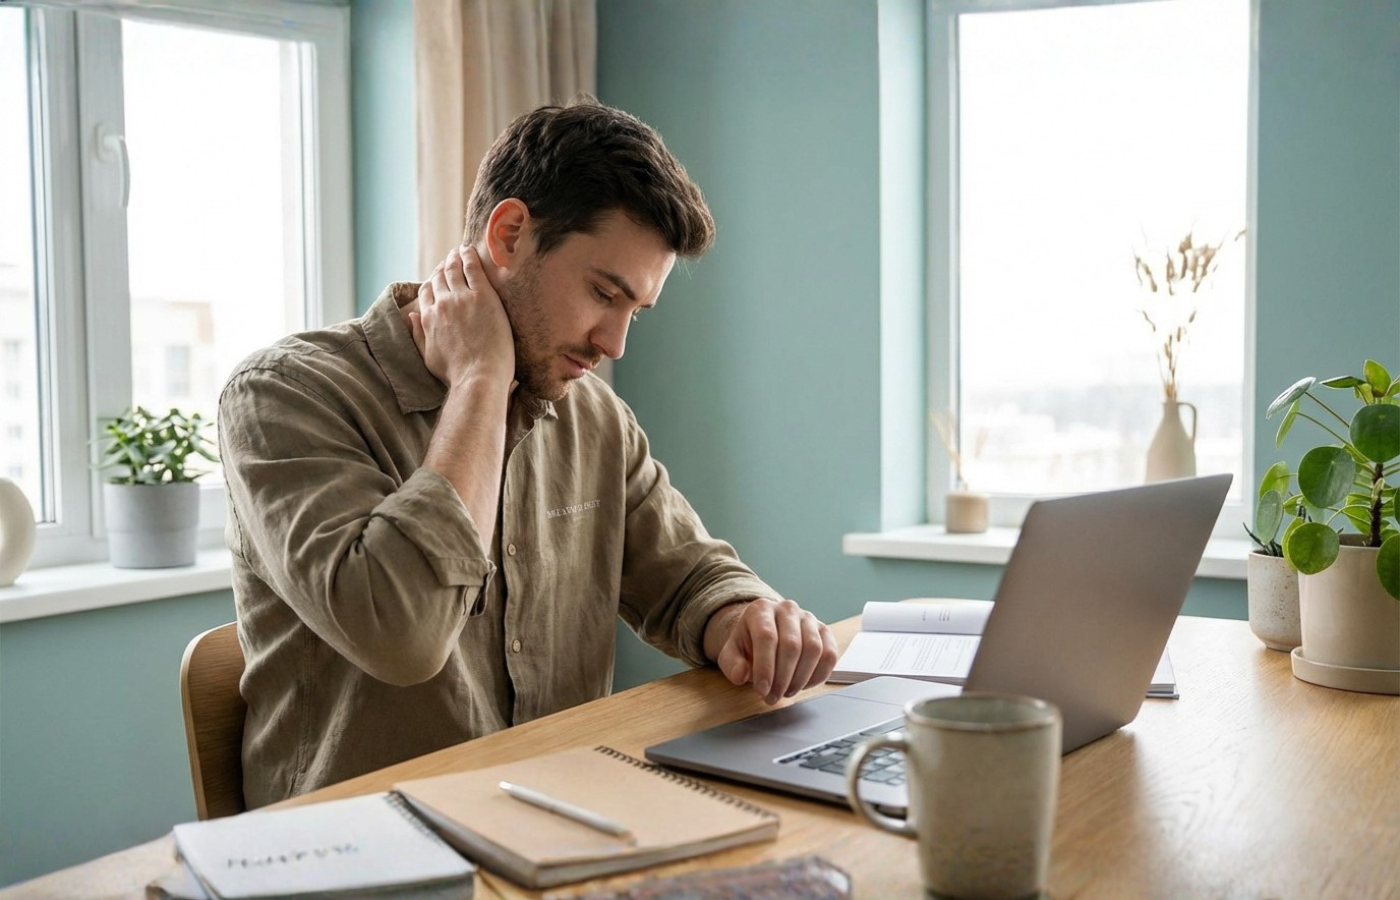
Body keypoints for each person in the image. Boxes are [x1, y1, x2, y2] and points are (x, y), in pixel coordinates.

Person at [219, 98, 838, 809]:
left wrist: (748, 617)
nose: (614, 344)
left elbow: (686, 576)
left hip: (558, 823)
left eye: (635, 310)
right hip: (363, 856)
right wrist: (481, 378)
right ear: (510, 233)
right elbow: (405, 637)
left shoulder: (593, 415)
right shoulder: (283, 396)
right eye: (604, 293)